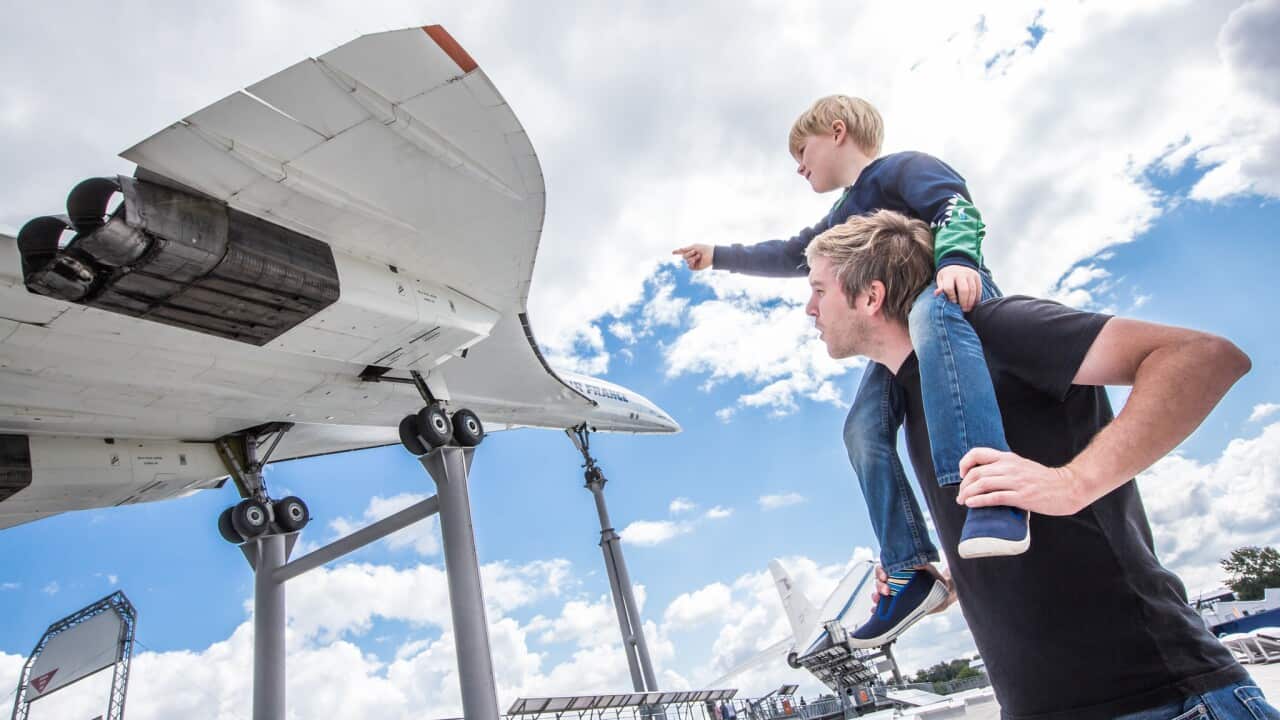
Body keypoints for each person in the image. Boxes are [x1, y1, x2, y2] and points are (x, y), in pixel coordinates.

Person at [803, 209, 1272, 719]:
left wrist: (1074, 482)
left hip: (1164, 698)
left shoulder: (991, 330)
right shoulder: (909, 397)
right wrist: (955, 581)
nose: (810, 309)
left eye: (820, 290)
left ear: (870, 297)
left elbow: (1203, 356)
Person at [673, 95, 1020, 649]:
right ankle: (908, 567)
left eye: (802, 150)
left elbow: (957, 209)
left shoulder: (903, 169)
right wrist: (718, 254)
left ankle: (991, 495)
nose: (798, 165)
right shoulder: (841, 218)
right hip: (902, 332)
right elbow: (792, 253)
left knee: (930, 314)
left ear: (837, 132)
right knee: (860, 428)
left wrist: (956, 259)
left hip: (949, 297)